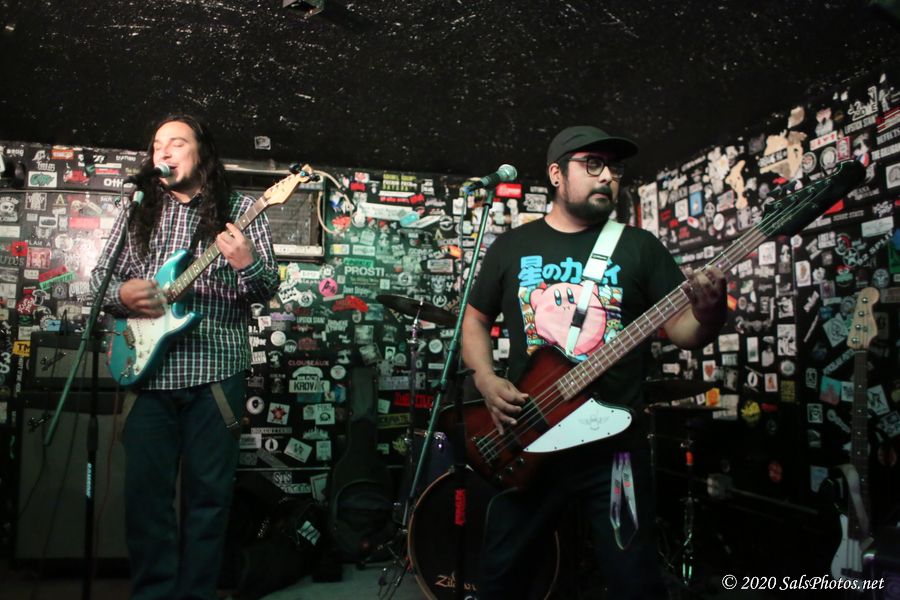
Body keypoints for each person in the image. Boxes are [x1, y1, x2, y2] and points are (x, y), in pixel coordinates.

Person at [461, 125, 727, 599]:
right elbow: (475, 319)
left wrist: (709, 314)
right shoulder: (511, 247)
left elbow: (683, 331)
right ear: (556, 174)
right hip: (529, 437)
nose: (608, 177)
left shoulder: (639, 246)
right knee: (502, 579)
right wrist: (484, 377)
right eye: (593, 165)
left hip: (615, 450)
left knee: (634, 580)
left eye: (615, 168)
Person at [90, 114, 279, 600]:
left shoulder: (240, 209)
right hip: (146, 375)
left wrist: (247, 264)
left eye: (177, 142)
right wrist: (122, 294)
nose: (164, 152)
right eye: (158, 145)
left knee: (208, 503)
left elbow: (265, 289)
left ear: (202, 153)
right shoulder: (138, 209)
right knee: (145, 503)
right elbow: (96, 285)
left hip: (215, 374)